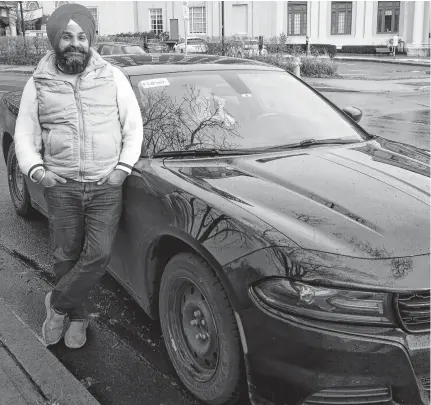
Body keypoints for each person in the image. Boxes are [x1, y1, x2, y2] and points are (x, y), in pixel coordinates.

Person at [14, 4, 143, 349]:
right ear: (55, 39)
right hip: (62, 185)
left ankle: (56, 305)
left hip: (105, 185)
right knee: (66, 254)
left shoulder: (112, 77)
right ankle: (79, 318)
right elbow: (25, 133)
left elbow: (133, 127)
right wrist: (38, 172)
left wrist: (122, 169)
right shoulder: (38, 82)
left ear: (91, 40)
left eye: (82, 36)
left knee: (98, 255)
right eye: (67, 36)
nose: (75, 43)